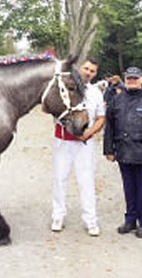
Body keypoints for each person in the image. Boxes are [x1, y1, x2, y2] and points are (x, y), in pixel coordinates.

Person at [103, 67, 142, 238]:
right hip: (123, 151)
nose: (132, 81)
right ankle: (130, 220)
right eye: (129, 78)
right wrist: (109, 149)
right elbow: (110, 126)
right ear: (125, 79)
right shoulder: (117, 99)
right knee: (128, 187)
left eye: (135, 78)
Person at [51, 58, 106, 236]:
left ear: (95, 74)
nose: (88, 73)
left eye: (92, 71)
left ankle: (90, 220)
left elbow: (101, 118)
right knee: (60, 178)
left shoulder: (96, 92)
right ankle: (58, 215)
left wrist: (89, 133)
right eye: (86, 68)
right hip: (64, 139)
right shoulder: (65, 87)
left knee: (86, 180)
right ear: (80, 68)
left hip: (85, 142)